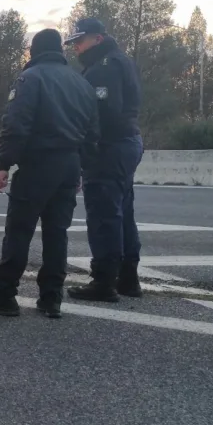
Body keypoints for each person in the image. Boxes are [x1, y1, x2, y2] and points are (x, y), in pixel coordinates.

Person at [0, 29, 100, 319]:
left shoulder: (31, 78)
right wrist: (81, 167)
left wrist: (4, 163)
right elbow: (93, 133)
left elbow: (17, 124)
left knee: (19, 232)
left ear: (34, 50)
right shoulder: (82, 84)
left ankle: (5, 295)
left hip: (38, 164)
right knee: (57, 234)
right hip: (69, 165)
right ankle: (51, 298)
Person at [64, 17, 145, 302]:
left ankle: (104, 281)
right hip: (127, 142)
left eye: (80, 41)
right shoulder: (121, 61)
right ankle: (128, 277)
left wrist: (86, 151)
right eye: (74, 43)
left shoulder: (104, 68)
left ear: (97, 38)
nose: (76, 48)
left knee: (103, 214)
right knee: (123, 211)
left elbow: (102, 115)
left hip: (110, 146)